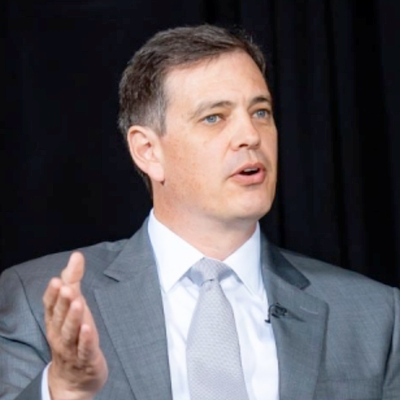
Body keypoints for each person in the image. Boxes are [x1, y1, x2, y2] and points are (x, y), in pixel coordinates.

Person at [0, 24, 399, 400]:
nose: (250, 136)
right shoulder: (34, 300)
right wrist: (63, 389)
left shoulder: (376, 316)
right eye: (214, 117)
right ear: (148, 151)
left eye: (260, 112)